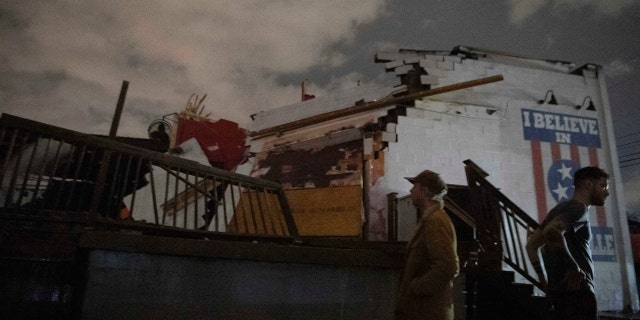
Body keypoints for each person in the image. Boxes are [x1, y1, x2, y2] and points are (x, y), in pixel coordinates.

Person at [526, 166, 610, 320]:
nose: (607, 192)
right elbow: (552, 232)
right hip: (579, 293)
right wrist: (574, 267)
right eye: (603, 186)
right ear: (588, 185)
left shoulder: (557, 210)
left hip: (558, 293)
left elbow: (531, 246)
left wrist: (543, 281)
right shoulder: (580, 209)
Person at [395, 170, 459, 320]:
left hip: (428, 311)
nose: (410, 191)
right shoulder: (430, 219)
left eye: (414, 186)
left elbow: (447, 266)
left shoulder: (435, 220)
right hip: (423, 310)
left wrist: (415, 287)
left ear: (424, 190)